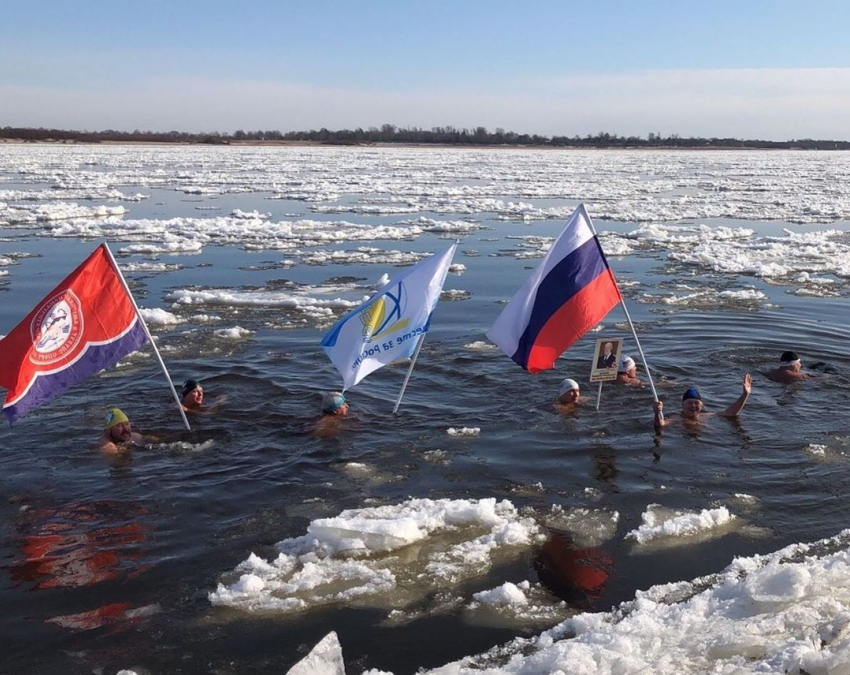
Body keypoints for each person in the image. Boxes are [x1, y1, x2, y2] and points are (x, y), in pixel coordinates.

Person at [653, 373, 752, 432]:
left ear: (702, 405)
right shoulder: (677, 417)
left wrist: (745, 395)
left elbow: (730, 413)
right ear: (682, 405)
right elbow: (661, 425)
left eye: (696, 403)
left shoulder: (705, 416)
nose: (693, 406)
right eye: (689, 403)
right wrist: (657, 413)